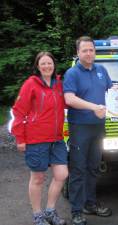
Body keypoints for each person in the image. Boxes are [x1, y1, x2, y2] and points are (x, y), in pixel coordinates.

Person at [10, 52, 68, 225]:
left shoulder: (59, 84)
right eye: (43, 64)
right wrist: (20, 138)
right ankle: (38, 215)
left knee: (62, 174)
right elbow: (18, 111)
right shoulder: (31, 84)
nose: (47, 66)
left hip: (57, 139)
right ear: (37, 66)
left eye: (49, 63)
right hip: (36, 139)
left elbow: (69, 101)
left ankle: (50, 211)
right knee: (38, 178)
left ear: (53, 65)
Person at [63, 36, 112, 225]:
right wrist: (94, 107)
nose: (89, 53)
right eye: (85, 50)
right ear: (78, 53)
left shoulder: (102, 70)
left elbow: (110, 91)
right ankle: (76, 210)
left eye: (91, 50)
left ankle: (90, 203)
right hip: (80, 128)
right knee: (78, 170)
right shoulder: (72, 73)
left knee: (93, 168)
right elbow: (69, 99)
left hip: (98, 127)